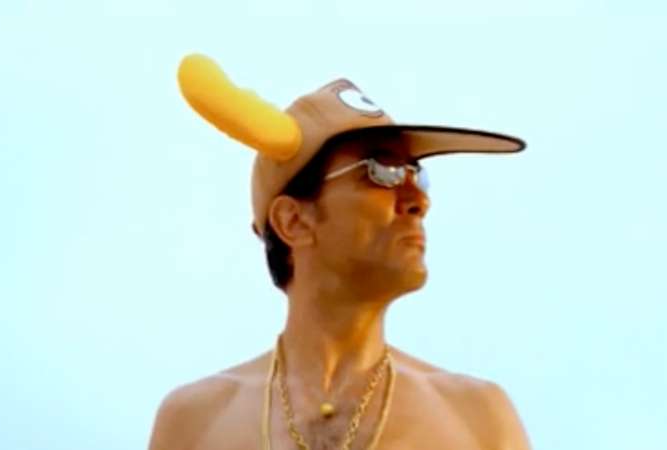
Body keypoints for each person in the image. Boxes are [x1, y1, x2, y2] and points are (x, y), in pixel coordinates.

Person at [148, 54, 532, 450]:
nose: (418, 200)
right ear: (293, 221)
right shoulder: (195, 423)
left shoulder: (478, 419)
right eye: (382, 171)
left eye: (417, 174)